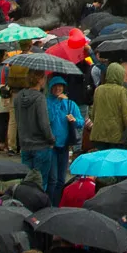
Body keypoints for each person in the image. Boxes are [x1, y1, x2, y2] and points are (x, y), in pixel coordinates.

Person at [14, 73, 55, 193]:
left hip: (25, 144)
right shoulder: (40, 98)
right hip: (41, 145)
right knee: (40, 183)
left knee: (26, 181)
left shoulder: (19, 96)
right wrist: (51, 139)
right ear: (39, 79)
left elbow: (17, 120)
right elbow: (44, 123)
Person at [44, 77, 82, 207]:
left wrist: (74, 120)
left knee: (61, 179)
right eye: (55, 86)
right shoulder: (47, 102)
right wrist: (57, 104)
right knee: (53, 179)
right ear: (51, 88)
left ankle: (57, 204)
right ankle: (49, 205)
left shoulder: (70, 104)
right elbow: (49, 120)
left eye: (60, 86)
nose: (58, 89)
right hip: (51, 146)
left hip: (65, 145)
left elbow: (81, 122)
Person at [89, 63, 127, 150]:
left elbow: (92, 113)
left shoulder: (98, 90)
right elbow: (126, 115)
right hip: (116, 137)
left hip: (99, 135)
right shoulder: (121, 91)